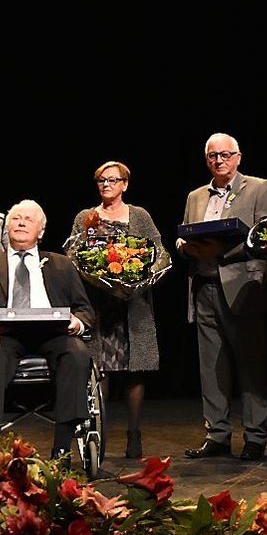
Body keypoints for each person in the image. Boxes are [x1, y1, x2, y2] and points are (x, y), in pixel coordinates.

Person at [0, 200, 95, 458]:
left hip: (54, 335)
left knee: (77, 353)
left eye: (28, 219)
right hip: (5, 335)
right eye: (16, 218)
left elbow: (85, 310)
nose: (21, 222)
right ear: (7, 227)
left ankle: (63, 447)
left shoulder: (62, 264)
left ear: (41, 232)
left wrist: (76, 323)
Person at [177, 133, 267, 461]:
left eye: (225, 155)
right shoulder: (195, 196)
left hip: (241, 286)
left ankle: (256, 436)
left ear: (238, 157)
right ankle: (217, 434)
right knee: (211, 366)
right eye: (213, 156)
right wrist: (184, 245)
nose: (219, 160)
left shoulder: (258, 188)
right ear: (207, 160)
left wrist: (224, 248)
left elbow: (265, 238)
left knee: (250, 364)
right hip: (203, 286)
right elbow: (187, 231)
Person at [67, 161, 169, 458]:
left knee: (135, 370)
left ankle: (134, 433)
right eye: (101, 180)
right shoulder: (86, 217)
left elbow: (159, 253)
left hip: (132, 303)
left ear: (125, 184)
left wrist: (138, 275)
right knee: (100, 371)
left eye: (112, 180)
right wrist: (94, 274)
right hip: (99, 304)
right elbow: (72, 254)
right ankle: (99, 435)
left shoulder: (139, 216)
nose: (106, 184)